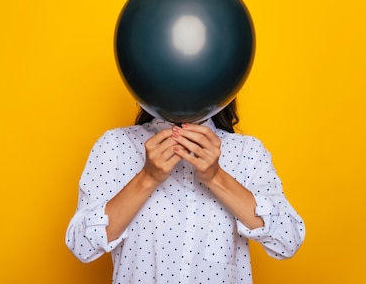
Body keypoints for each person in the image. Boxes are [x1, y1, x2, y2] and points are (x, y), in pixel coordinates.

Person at [65, 99, 305, 283]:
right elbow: (82, 246)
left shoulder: (247, 152)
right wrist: (147, 177)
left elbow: (288, 240)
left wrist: (216, 176)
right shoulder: (116, 146)